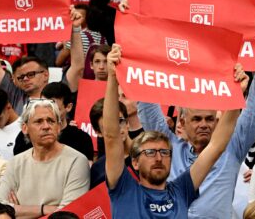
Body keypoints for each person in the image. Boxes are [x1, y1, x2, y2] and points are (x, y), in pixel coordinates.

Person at [136, 27, 255, 218]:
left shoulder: (232, 148)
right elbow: (147, 107)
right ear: (182, 123)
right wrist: (139, 45)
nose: (204, 124)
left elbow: (254, 111)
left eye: (210, 119)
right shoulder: (168, 149)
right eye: (197, 119)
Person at [104, 44, 247, 218]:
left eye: (164, 152)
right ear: (134, 162)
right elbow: (111, 137)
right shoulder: (123, 188)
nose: (158, 158)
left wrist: (236, 95)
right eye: (150, 152)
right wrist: (112, 78)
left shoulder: (182, 189)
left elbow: (216, 145)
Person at [0, 99, 90, 217]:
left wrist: (18, 211)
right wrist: (45, 209)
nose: (46, 126)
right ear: (25, 128)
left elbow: (67, 215)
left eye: (51, 121)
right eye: (39, 121)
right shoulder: (15, 163)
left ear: (59, 127)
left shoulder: (76, 161)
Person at [13, 82, 94, 162]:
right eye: (43, 105)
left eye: (54, 109)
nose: (48, 112)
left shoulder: (82, 139)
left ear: (68, 107)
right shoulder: (26, 136)